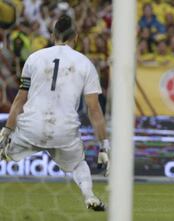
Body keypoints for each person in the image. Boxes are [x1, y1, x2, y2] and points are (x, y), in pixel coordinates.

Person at [0, 15, 110, 211]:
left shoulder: (34, 58)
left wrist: (7, 131)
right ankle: (90, 196)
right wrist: (104, 145)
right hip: (64, 130)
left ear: (52, 36)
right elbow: (94, 108)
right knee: (78, 165)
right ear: (75, 37)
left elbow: (19, 100)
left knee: (2, 152)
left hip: (30, 127)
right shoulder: (85, 64)